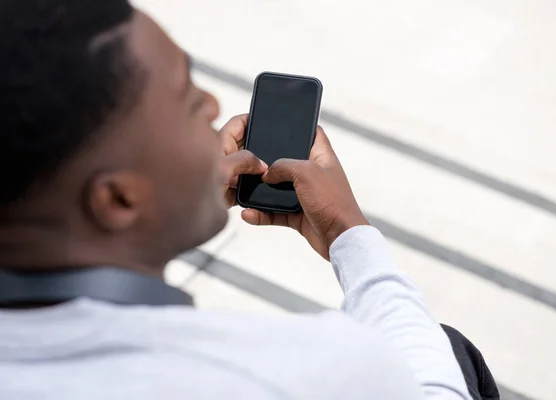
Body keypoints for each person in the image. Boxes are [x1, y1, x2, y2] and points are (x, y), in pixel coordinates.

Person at [0, 1, 494, 399]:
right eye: (189, 101)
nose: (215, 107)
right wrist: (349, 232)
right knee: (446, 347)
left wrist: (162, 216)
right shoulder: (308, 369)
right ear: (120, 199)